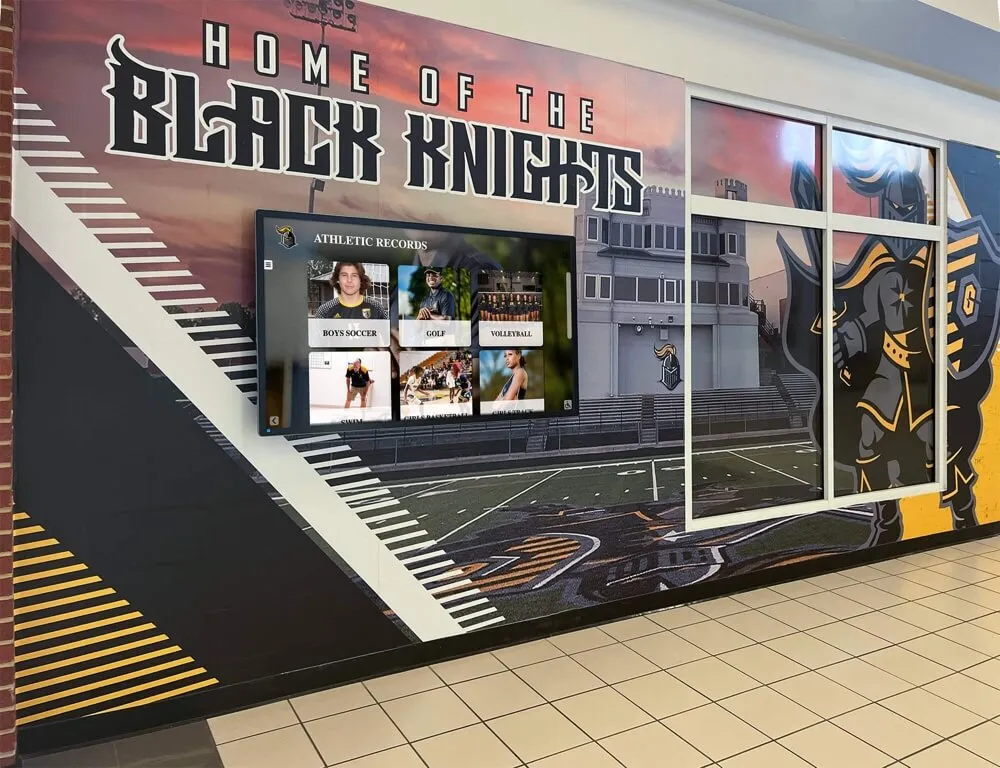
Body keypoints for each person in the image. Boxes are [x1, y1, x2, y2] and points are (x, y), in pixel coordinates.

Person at [315, 262, 388, 320]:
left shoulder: (377, 308)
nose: (349, 280)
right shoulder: (324, 310)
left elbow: (388, 336)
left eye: (354, 275)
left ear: (361, 280)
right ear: (337, 279)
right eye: (344, 275)